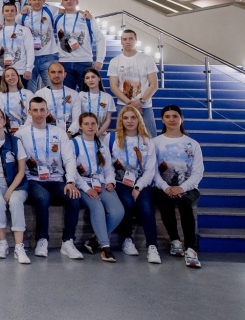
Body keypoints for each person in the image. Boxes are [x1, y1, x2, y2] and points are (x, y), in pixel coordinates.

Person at [15, 96, 83, 260]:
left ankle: (68, 241)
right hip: (32, 180)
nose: (39, 113)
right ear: (29, 112)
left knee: (73, 196)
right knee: (43, 197)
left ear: (47, 112)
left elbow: (69, 159)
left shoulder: (59, 133)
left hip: (56, 180)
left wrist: (70, 181)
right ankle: (42, 240)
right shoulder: (20, 134)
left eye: (42, 110)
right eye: (35, 110)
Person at [152, 104, 204, 268]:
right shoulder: (155, 142)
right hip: (163, 187)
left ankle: (190, 248)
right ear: (162, 120)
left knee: (184, 203)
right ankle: (175, 240)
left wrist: (182, 188)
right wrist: (165, 187)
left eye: (175, 116)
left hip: (188, 188)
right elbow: (152, 171)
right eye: (167, 117)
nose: (171, 119)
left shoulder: (193, 144)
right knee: (165, 201)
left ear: (182, 119)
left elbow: (198, 172)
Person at [109, 105, 161, 263]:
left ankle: (152, 246)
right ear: (121, 120)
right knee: (127, 203)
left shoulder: (148, 141)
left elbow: (150, 170)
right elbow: (106, 165)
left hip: (141, 182)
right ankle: (127, 239)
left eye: (133, 117)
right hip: (120, 182)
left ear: (139, 120)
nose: (129, 121)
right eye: (125, 118)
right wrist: (110, 181)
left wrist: (138, 187)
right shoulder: (111, 138)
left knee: (146, 207)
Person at [73, 111, 124, 262]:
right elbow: (72, 171)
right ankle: (105, 247)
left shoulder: (101, 144)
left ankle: (94, 240)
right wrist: (86, 188)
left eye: (93, 124)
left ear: (97, 126)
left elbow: (108, 168)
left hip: (100, 182)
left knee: (118, 211)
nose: (90, 126)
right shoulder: (73, 143)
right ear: (80, 126)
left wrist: (110, 181)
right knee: (97, 207)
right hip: (83, 184)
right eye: (86, 124)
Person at [0, 107, 30, 263]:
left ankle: (19, 247)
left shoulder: (15, 141)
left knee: (15, 201)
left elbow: (21, 171)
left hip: (16, 183)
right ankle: (3, 243)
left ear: (4, 120)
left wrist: (9, 191)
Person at [108, 29, 159, 133]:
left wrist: (140, 101)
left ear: (136, 40)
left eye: (131, 39)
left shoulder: (147, 59)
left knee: (149, 137)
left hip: (144, 105)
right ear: (121, 41)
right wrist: (130, 103)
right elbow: (113, 86)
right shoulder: (115, 61)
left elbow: (154, 84)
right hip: (124, 104)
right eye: (125, 39)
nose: (128, 41)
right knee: (122, 137)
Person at [54, 0, 104, 90]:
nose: (68, 1)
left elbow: (100, 38)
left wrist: (100, 59)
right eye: (65, 0)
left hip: (84, 62)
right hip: (64, 63)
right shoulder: (57, 18)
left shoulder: (87, 17)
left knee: (87, 95)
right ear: (62, 3)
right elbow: (39, 7)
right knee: (67, 96)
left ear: (77, 2)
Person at [21, 0, 57, 92]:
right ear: (29, 1)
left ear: (44, 0)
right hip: (29, 59)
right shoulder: (22, 16)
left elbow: (67, 10)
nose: (37, 2)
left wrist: (83, 12)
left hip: (47, 57)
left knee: (53, 88)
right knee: (30, 91)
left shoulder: (50, 10)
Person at [0, 2, 34, 85]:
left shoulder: (25, 30)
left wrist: (29, 69)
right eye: (7, 11)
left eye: (12, 10)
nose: (9, 13)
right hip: (1, 71)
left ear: (16, 13)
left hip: (20, 71)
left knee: (21, 93)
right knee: (3, 93)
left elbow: (30, 50)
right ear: (2, 13)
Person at [35, 61, 84, 135]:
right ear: (48, 74)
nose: (56, 75)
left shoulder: (74, 94)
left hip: (69, 133)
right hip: (46, 133)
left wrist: (69, 133)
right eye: (53, 72)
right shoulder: (39, 94)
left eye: (60, 72)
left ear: (65, 74)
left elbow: (76, 119)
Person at [0, 67, 33, 134]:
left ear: (18, 77)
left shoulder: (28, 93)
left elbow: (32, 114)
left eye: (13, 75)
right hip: (7, 131)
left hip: (27, 129)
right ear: (4, 79)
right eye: (7, 76)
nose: (11, 78)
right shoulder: (0, 95)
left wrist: (23, 129)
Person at [81, 68, 114, 135]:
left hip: (101, 133)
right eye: (87, 78)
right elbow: (77, 117)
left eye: (93, 77)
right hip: (83, 133)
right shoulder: (80, 96)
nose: (90, 80)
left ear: (99, 78)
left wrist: (98, 134)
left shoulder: (108, 97)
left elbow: (108, 119)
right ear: (84, 81)